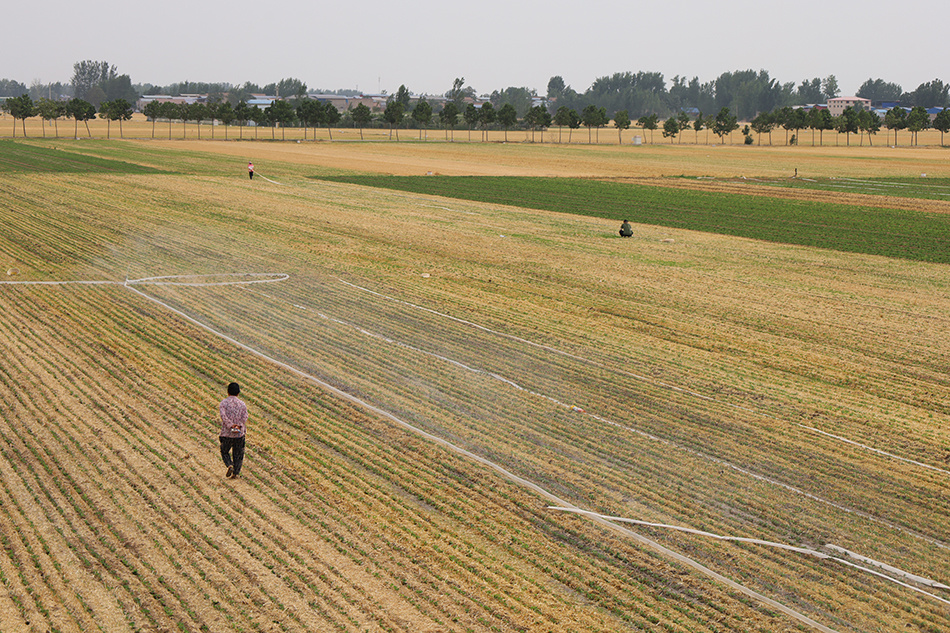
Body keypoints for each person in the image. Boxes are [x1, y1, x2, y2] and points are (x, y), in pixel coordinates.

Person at [219, 382, 248, 479]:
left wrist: (231, 425)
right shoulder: (242, 404)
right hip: (239, 434)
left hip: (227, 433)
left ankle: (229, 465)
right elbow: (245, 417)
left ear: (228, 392)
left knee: (224, 451)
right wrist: (238, 425)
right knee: (238, 453)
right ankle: (235, 473)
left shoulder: (223, 403)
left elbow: (223, 416)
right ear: (238, 393)